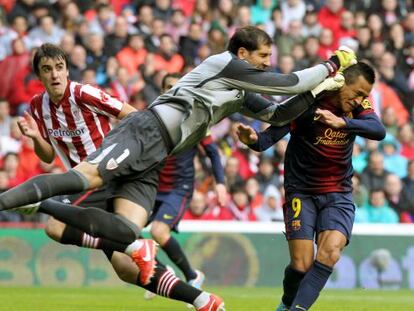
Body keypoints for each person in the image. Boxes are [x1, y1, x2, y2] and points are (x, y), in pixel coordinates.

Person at [0, 26, 356, 310]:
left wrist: (317, 92)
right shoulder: (224, 64)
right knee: (84, 179)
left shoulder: (239, 92)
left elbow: (279, 113)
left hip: (158, 153)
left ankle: (201, 299)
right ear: (243, 54)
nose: (266, 63)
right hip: (147, 130)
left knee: (127, 238)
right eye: (262, 57)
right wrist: (331, 65)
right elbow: (287, 83)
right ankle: (8, 199)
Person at [12, 43, 223, 311]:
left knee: (55, 226)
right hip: (83, 183)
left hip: (102, 173)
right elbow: (47, 156)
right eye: (47, 69)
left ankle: (135, 245)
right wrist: (35, 138)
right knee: (127, 269)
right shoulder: (38, 106)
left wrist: (128, 153)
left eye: (59, 67)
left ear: (66, 69)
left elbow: (131, 115)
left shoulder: (84, 93)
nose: (54, 74)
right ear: (39, 75)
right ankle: (203, 300)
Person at [236, 62, 385, 311]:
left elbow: (378, 130)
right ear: (341, 82)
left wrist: (343, 124)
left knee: (331, 252)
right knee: (301, 265)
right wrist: (252, 140)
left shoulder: (359, 107)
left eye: (365, 96)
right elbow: (267, 139)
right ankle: (286, 304)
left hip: (338, 192)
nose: (360, 100)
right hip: (301, 192)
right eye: (357, 93)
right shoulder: (310, 102)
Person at [144, 73, 227, 300]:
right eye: (169, 87)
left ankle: (191, 276)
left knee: (158, 231)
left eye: (177, 86)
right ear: (163, 91)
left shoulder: (196, 119)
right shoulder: (152, 117)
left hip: (179, 188)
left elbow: (212, 153)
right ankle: (164, 271)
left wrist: (220, 183)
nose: (174, 90)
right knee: (125, 230)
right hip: (153, 186)